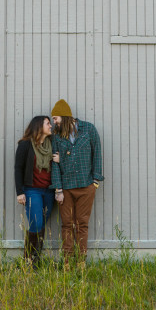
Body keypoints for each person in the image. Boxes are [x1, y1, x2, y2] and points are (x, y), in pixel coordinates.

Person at [51, 99, 104, 264]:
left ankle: (81, 262)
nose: (54, 122)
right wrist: (58, 189)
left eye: (55, 118)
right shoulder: (56, 137)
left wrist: (95, 181)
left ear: (65, 117)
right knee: (67, 225)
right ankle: (67, 263)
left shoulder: (88, 129)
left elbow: (97, 154)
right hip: (65, 188)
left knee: (82, 224)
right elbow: (55, 165)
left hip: (86, 186)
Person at [14, 116, 59, 266]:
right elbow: (18, 168)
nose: (51, 126)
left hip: (48, 191)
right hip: (32, 190)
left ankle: (35, 259)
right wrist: (20, 192)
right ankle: (29, 261)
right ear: (39, 126)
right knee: (36, 222)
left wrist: (59, 159)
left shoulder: (51, 143)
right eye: (48, 123)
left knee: (40, 225)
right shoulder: (25, 144)